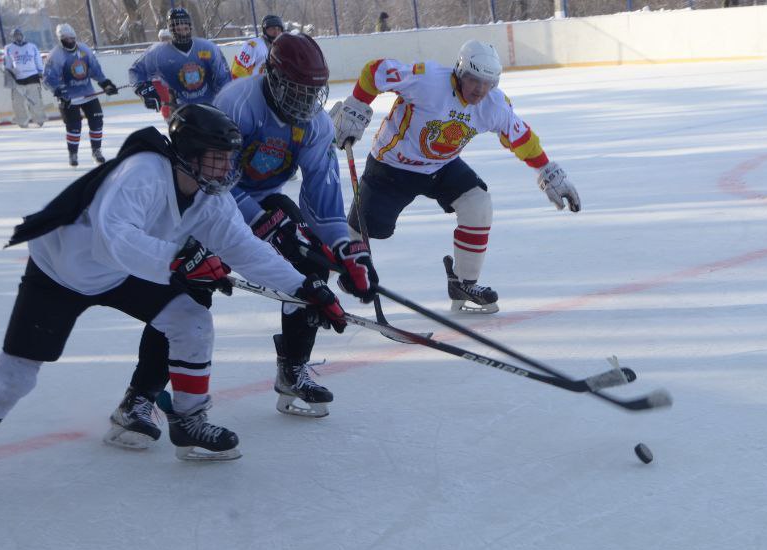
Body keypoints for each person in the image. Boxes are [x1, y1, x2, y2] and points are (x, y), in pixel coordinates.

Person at [0, 104, 352, 511]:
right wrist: (178, 258)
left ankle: (188, 422)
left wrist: (306, 288)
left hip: (125, 272)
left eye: (230, 158)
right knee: (16, 376)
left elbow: (244, 249)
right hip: (62, 271)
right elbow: (112, 237)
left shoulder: (210, 197)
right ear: (188, 155)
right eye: (217, 158)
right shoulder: (143, 174)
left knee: (192, 320)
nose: (227, 169)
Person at [114, 33, 375, 424]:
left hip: (262, 197)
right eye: (297, 91)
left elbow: (322, 196)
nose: (306, 103)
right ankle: (139, 396)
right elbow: (213, 176)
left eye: (313, 93)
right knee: (190, 292)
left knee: (311, 268)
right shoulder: (237, 103)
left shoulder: (316, 124)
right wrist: (259, 219)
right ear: (272, 77)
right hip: (208, 198)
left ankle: (293, 369)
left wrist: (341, 248)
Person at [329, 39, 580, 314]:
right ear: (460, 71)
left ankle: (463, 282)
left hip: (440, 167)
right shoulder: (429, 82)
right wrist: (356, 105)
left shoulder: (493, 104)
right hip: (392, 167)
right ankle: (317, 279)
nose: (480, 90)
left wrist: (548, 171)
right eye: (474, 80)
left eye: (488, 83)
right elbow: (375, 70)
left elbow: (521, 137)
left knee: (477, 202)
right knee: (362, 231)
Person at [129, 7, 231, 117]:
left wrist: (225, 100)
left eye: (185, 28)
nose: (182, 31)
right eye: (178, 28)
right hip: (179, 112)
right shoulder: (158, 53)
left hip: (212, 109)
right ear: (171, 29)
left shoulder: (208, 48)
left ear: (190, 27)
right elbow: (135, 71)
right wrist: (143, 88)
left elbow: (224, 78)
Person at [43, 23, 118, 167]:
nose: (71, 41)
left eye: (73, 38)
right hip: (68, 96)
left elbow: (95, 70)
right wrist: (58, 91)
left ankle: (96, 151)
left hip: (87, 93)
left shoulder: (84, 50)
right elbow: (48, 78)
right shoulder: (55, 55)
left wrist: (106, 83)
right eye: (67, 39)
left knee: (97, 121)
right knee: (74, 126)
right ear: (61, 39)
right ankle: (73, 153)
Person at [3, 27, 45, 128]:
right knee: (18, 102)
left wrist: (41, 72)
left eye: (19, 35)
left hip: (33, 77)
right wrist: (8, 74)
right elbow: (7, 64)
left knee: (35, 100)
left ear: (23, 35)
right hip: (18, 79)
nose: (18, 37)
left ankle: (39, 119)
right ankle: (22, 121)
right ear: (12, 37)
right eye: (16, 35)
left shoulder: (32, 47)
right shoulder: (8, 48)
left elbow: (38, 60)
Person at [230, 14, 285, 78]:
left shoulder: (280, 47)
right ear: (265, 29)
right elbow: (238, 71)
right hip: (255, 85)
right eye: (273, 29)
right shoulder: (253, 45)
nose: (276, 32)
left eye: (279, 29)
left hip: (271, 86)